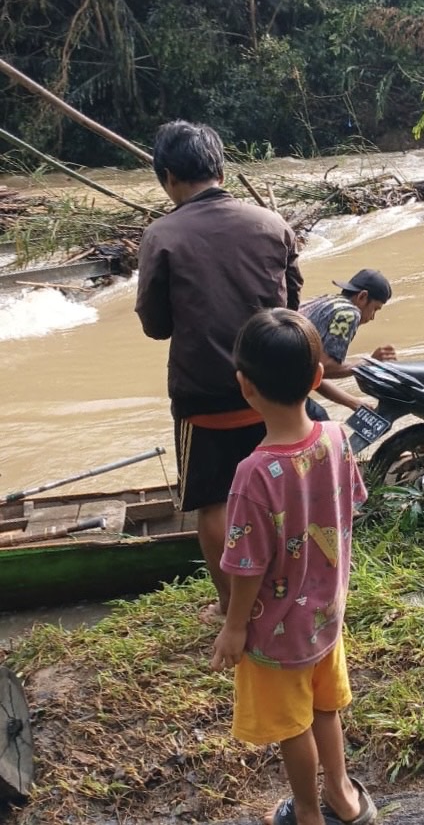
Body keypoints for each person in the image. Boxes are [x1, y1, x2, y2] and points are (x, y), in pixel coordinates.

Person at [210, 308, 376, 825]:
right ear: (317, 379)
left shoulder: (253, 474)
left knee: (292, 726)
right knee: (325, 709)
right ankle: (344, 799)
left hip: (278, 630)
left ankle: (307, 812)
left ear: (245, 386)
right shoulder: (338, 438)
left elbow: (246, 566)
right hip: (327, 615)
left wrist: (234, 628)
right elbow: (350, 504)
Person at [135, 120, 303, 622]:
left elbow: (156, 326)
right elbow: (291, 311)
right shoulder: (274, 225)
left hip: (204, 395)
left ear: (167, 177)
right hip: (273, 386)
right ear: (221, 168)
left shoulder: (162, 235)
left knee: (214, 502)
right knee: (278, 489)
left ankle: (231, 605)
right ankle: (287, 591)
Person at [300, 269, 396, 418]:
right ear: (362, 297)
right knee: (322, 425)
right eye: (375, 309)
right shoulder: (348, 313)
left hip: (269, 373)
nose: (372, 318)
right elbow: (324, 368)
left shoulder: (326, 301)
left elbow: (312, 371)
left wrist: (353, 402)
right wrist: (368, 363)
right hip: (279, 383)